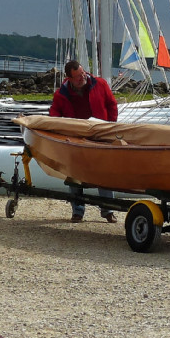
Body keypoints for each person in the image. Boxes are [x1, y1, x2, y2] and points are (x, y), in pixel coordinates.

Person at [49, 60, 119, 223]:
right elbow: (54, 114)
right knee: (74, 173)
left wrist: (110, 126)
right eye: (78, 77)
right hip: (75, 138)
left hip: (100, 134)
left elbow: (112, 105)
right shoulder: (61, 94)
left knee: (105, 172)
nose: (83, 77)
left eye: (82, 73)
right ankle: (77, 211)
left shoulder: (100, 84)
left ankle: (108, 210)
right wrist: (58, 133)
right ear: (70, 79)